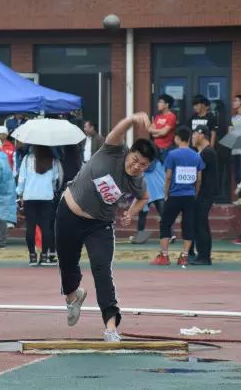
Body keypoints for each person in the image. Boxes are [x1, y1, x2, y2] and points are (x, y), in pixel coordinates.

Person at [56, 112, 154, 342]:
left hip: (99, 225)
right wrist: (132, 120)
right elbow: (117, 131)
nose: (137, 166)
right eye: (135, 160)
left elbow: (144, 198)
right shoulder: (113, 150)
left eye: (143, 165)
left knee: (102, 270)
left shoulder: (137, 181)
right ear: (130, 152)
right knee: (67, 262)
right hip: (69, 213)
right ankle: (73, 297)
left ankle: (111, 327)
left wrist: (130, 213)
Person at [150, 126, 204, 266]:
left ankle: (164, 256)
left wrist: (166, 193)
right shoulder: (196, 156)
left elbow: (168, 176)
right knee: (188, 225)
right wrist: (195, 193)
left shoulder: (172, 155)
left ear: (177, 138)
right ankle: (184, 256)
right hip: (190, 195)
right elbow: (199, 179)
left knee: (165, 223)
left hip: (174, 195)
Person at [17, 145, 63, 266]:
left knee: (30, 227)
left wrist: (20, 193)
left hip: (29, 196)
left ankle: (32, 256)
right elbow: (55, 179)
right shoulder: (52, 160)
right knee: (46, 227)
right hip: (46, 197)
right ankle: (44, 256)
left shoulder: (27, 159)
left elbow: (22, 179)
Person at [190, 125, 218, 265]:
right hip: (204, 193)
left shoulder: (207, 153)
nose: (193, 138)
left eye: (194, 134)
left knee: (201, 223)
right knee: (201, 223)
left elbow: (199, 176)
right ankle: (202, 254)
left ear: (201, 135)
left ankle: (204, 256)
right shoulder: (204, 152)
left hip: (204, 193)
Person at [130, 158, 164, 244]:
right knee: (164, 215)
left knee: (142, 216)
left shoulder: (139, 165)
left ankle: (139, 238)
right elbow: (164, 175)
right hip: (158, 192)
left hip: (145, 192)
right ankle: (170, 235)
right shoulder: (158, 163)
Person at [148, 94, 177, 162]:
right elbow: (150, 131)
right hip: (156, 148)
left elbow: (164, 132)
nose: (158, 104)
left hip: (166, 149)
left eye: (160, 102)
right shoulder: (158, 116)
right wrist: (160, 131)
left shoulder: (171, 116)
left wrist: (156, 131)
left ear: (167, 104)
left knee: (164, 169)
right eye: (158, 102)